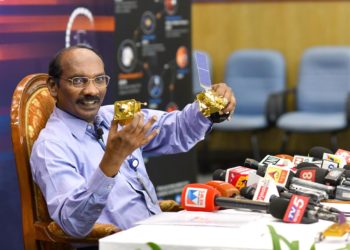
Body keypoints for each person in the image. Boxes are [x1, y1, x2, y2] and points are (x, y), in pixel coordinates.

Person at [30, 45, 236, 239]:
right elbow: (73, 223)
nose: (92, 90)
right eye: (78, 81)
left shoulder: (116, 116)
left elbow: (178, 129)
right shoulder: (51, 146)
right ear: (53, 87)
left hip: (159, 233)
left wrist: (211, 105)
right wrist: (111, 161)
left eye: (99, 79)